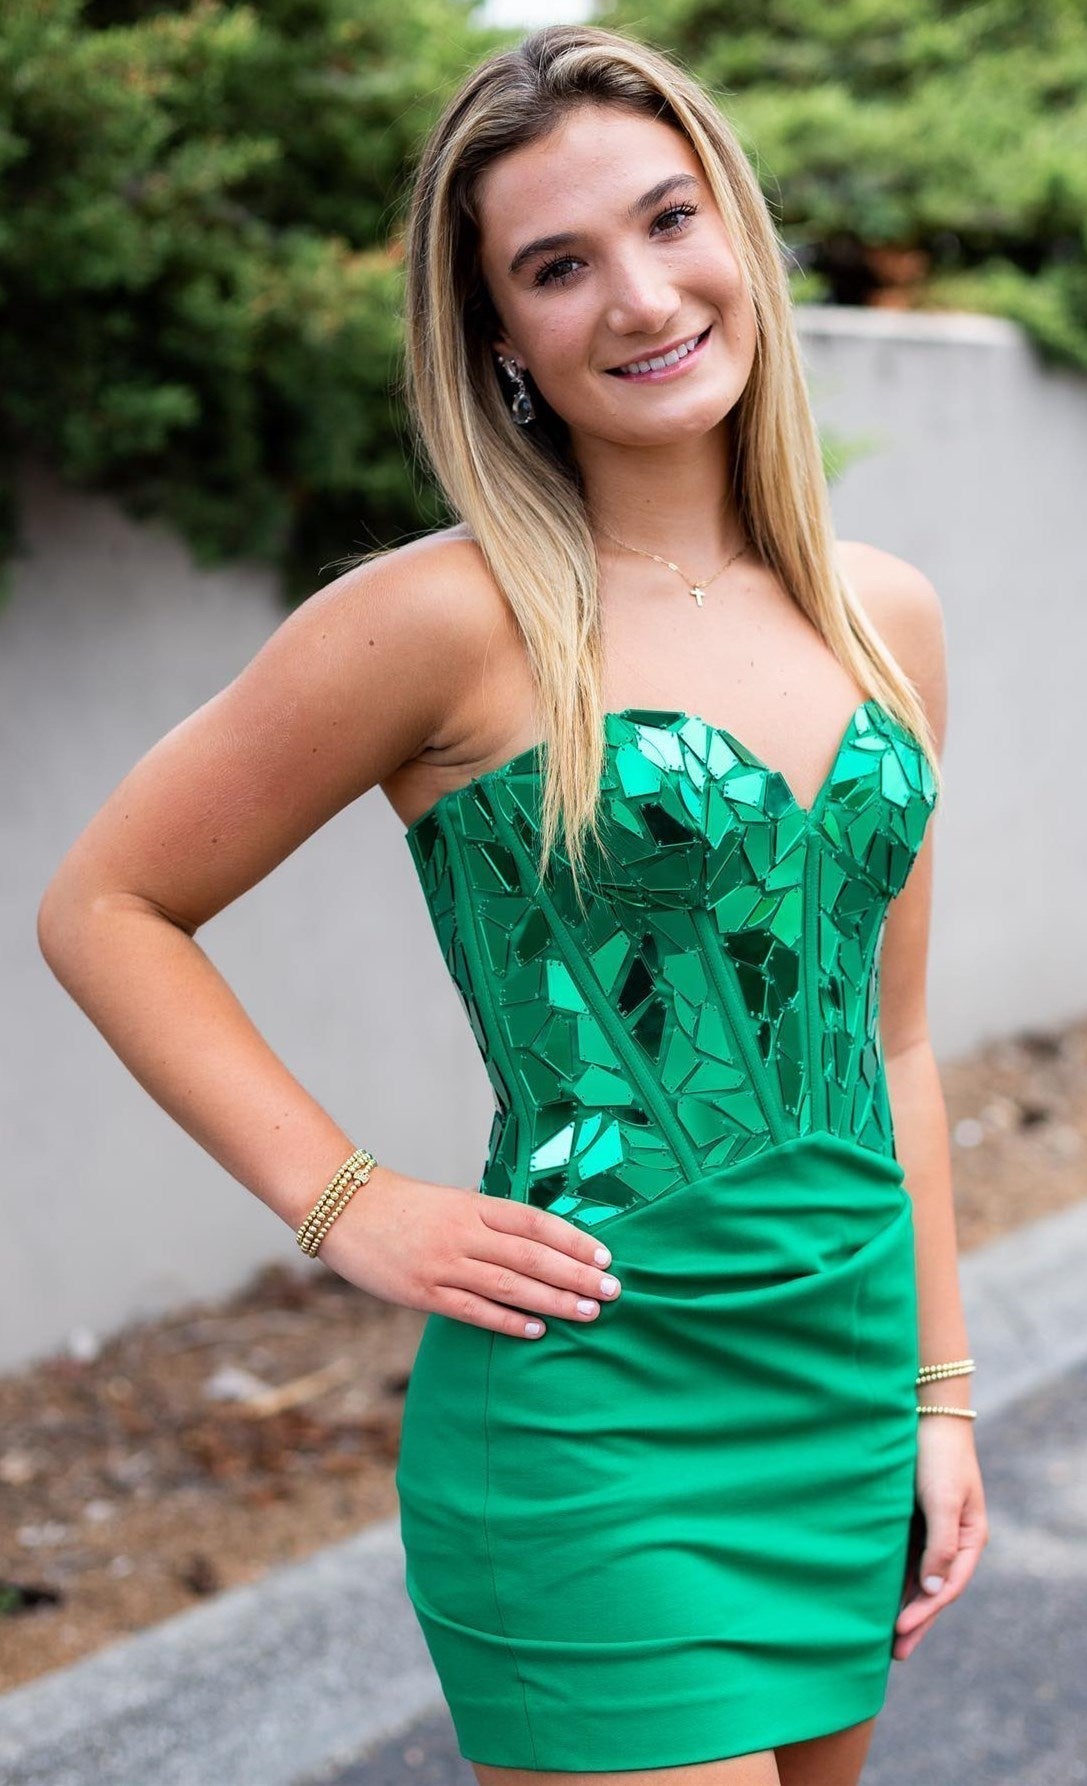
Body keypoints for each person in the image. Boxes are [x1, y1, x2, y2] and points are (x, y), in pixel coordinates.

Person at [37, 21, 989, 1786]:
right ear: (503, 341)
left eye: (668, 221)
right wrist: (345, 1200)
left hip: (845, 1393)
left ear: (744, 237)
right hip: (593, 1425)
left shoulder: (885, 614)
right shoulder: (441, 621)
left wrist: (942, 1394)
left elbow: (898, 1039)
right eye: (560, 266)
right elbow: (109, 902)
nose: (640, 296)